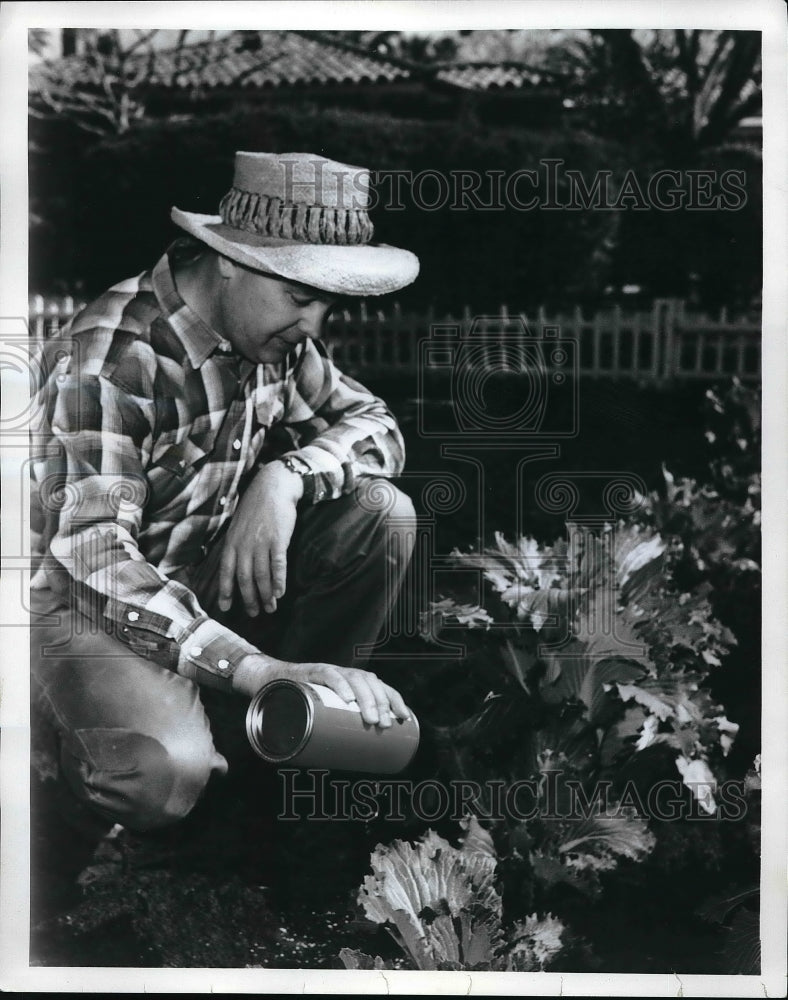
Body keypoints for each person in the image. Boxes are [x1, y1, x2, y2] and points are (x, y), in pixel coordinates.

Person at [29, 151, 420, 835]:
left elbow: (376, 425)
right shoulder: (113, 357)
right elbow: (92, 555)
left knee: (381, 516)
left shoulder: (277, 342)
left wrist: (285, 478)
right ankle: (65, 777)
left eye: (326, 304)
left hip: (190, 585)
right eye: (300, 299)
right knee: (163, 770)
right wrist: (251, 666)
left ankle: (277, 746)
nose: (314, 328)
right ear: (231, 261)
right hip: (78, 606)